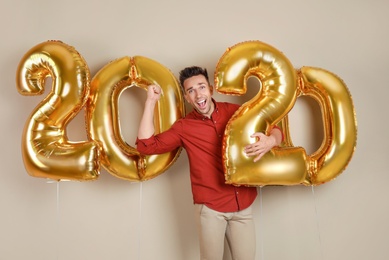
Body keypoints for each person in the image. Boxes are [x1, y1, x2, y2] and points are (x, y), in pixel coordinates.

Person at [136, 66, 283, 260]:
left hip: (243, 206)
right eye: (191, 91)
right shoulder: (184, 127)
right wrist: (151, 101)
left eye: (201, 87)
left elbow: (275, 127)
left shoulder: (235, 112)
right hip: (211, 208)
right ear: (187, 98)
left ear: (210, 89)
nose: (198, 94)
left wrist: (270, 141)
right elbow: (146, 145)